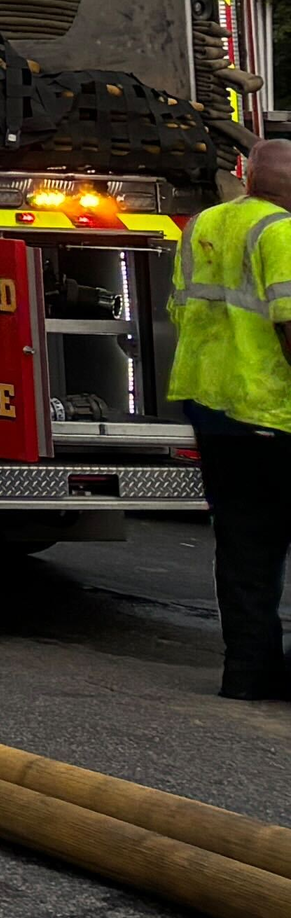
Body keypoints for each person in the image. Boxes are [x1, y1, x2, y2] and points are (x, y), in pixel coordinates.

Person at [171, 137, 291, 701]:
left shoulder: (203, 225)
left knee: (244, 546)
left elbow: (181, 306)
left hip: (214, 410)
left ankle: (248, 672)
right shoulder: (282, 232)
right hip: (275, 411)